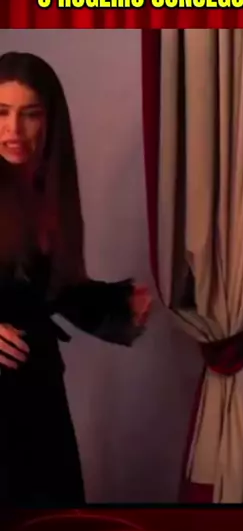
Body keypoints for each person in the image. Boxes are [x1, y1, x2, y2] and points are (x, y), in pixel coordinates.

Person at [0, 51, 152, 506]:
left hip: (38, 392)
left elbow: (51, 292)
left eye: (30, 114)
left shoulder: (46, 190)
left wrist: (121, 306)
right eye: (2, 113)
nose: (14, 129)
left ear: (50, 122)